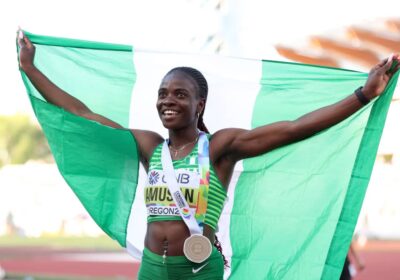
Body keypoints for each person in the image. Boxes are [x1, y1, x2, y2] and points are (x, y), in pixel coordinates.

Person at [17, 31, 399, 280]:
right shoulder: (150, 146)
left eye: (180, 94)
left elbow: (293, 128)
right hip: (152, 268)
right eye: (163, 93)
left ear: (200, 104)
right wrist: (31, 69)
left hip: (198, 268)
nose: (168, 100)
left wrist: (363, 95)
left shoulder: (220, 148)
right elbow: (83, 114)